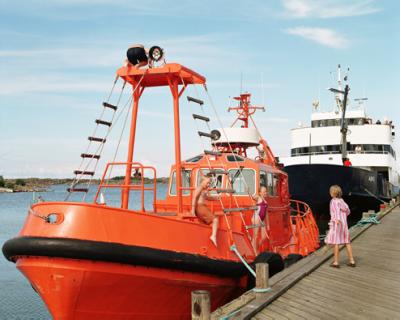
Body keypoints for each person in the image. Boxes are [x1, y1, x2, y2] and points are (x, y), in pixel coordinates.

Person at [325, 185, 356, 268]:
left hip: (337, 224)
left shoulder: (333, 201)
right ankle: (352, 261)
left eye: (330, 192)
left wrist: (336, 220)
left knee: (336, 242)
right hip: (344, 224)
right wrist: (343, 217)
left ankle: (336, 262)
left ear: (333, 193)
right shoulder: (342, 201)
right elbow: (348, 210)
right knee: (347, 242)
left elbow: (335, 212)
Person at [191, 175, 220, 247]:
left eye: (209, 183)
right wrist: (192, 210)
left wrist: (215, 198)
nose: (208, 185)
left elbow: (206, 198)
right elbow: (194, 198)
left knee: (210, 221)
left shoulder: (203, 190)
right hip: (200, 207)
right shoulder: (199, 188)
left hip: (202, 207)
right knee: (215, 220)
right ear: (202, 182)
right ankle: (213, 236)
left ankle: (210, 236)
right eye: (207, 183)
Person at [251, 186, 269, 254]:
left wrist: (268, 225)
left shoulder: (265, 201)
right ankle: (255, 251)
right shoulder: (259, 198)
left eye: (266, 191)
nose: (265, 193)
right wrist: (250, 192)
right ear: (260, 193)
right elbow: (253, 197)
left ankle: (257, 246)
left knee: (264, 237)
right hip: (256, 217)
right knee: (255, 236)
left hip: (262, 219)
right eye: (264, 191)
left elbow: (266, 213)